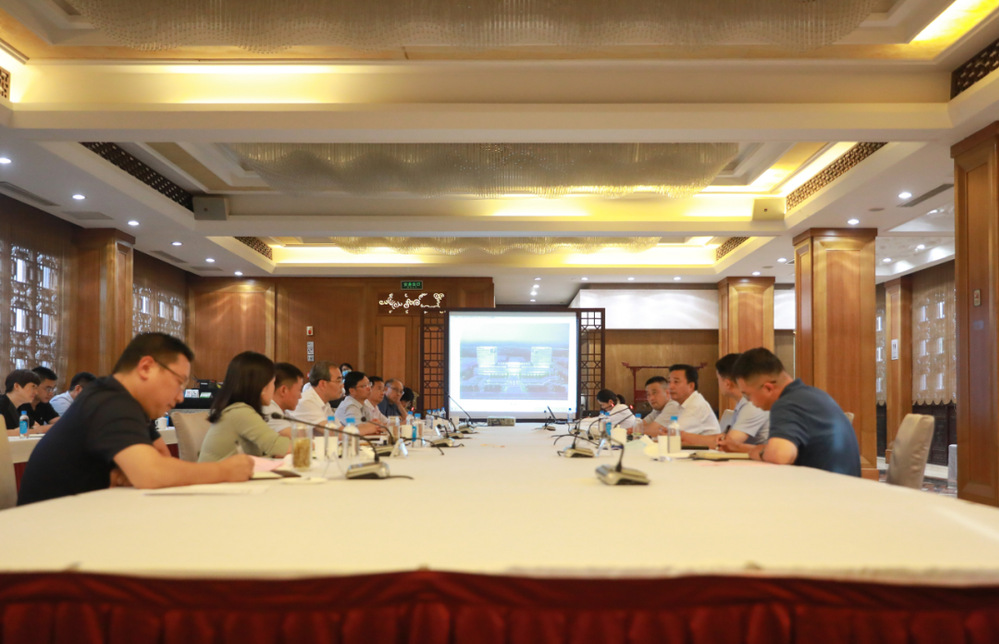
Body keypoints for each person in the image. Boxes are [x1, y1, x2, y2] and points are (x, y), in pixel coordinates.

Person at [17, 333, 253, 506]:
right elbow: (153, 473)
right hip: (49, 534)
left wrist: (140, 471)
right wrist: (223, 470)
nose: (181, 396)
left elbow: (162, 459)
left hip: (91, 515)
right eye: (179, 382)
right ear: (146, 367)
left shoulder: (131, 404)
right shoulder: (108, 400)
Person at [732, 347, 860, 476]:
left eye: (748, 395)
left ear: (768, 388)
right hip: (846, 483)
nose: (750, 402)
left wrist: (760, 452)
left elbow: (780, 456)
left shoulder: (787, 403)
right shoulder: (814, 394)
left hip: (827, 486)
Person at [199, 352, 292, 462]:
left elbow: (266, 451)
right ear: (262, 387)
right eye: (273, 383)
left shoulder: (238, 410)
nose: (273, 388)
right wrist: (307, 443)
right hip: (217, 473)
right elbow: (278, 446)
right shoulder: (240, 412)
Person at [644, 364, 721, 447]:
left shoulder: (696, 405)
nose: (670, 386)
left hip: (706, 453)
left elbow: (672, 437)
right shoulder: (681, 403)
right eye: (669, 382)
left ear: (691, 386)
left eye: (676, 382)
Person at [714, 353, 769, 453]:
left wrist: (686, 436)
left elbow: (728, 444)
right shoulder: (742, 403)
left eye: (718, 379)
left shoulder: (752, 405)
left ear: (727, 383)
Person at [292, 361, 343, 426]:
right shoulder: (307, 402)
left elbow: (338, 427)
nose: (342, 385)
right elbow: (330, 430)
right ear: (323, 384)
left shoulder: (325, 403)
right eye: (338, 381)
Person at [334, 371, 384, 436]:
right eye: (364, 386)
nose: (369, 388)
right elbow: (359, 429)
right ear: (352, 391)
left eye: (369, 384)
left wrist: (375, 426)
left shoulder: (364, 405)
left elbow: (375, 426)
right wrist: (374, 426)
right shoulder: (349, 406)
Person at [263, 362, 305, 433]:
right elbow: (297, 437)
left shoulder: (283, 412)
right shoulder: (270, 411)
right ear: (283, 390)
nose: (300, 396)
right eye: (299, 390)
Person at [19, 366, 61, 431]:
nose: (51, 393)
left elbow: (58, 421)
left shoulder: (43, 403)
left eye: (53, 389)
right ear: (34, 386)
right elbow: (33, 429)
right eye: (48, 389)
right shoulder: (20, 403)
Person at [1, 369, 41, 436]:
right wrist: (16, 432)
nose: (36, 392)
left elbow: (36, 427)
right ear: (17, 386)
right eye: (33, 387)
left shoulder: (20, 408)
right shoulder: (2, 404)